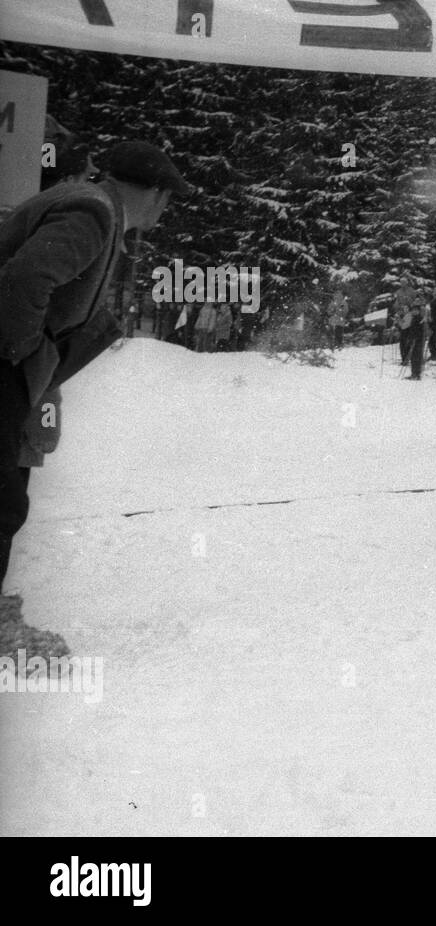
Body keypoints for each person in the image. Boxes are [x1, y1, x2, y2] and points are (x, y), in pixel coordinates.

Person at [1, 140, 188, 654]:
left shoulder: (96, 211)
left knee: (7, 496)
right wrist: (18, 357)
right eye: (167, 196)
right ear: (152, 192)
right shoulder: (93, 212)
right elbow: (25, 278)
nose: (165, 208)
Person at [407, 300, 429, 380]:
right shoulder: (413, 318)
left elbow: (421, 331)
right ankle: (414, 373)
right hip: (413, 340)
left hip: (418, 341)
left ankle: (417, 374)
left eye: (416, 310)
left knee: (417, 357)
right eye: (413, 310)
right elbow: (411, 330)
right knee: (413, 357)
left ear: (418, 311)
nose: (414, 312)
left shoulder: (420, 319)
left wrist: (416, 338)